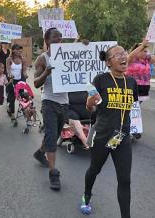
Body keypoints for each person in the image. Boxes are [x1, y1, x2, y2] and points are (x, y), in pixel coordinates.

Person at [80, 45, 138, 218]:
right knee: (94, 170)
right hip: (103, 136)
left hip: (123, 137)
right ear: (108, 61)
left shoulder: (131, 82)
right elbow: (89, 107)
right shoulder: (101, 80)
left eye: (124, 53)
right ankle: (87, 195)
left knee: (125, 180)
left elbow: (130, 107)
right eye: (117, 54)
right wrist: (91, 101)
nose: (123, 57)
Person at [32, 28, 69, 191]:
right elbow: (36, 83)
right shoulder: (42, 58)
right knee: (51, 135)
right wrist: (46, 72)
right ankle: (53, 174)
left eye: (60, 37)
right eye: (55, 37)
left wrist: (84, 47)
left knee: (52, 136)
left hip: (64, 103)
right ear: (47, 39)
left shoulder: (66, 55)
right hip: (49, 102)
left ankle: (40, 152)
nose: (59, 39)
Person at [6, 44, 28, 121]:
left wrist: (25, 74)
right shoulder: (9, 59)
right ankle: (12, 113)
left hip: (19, 81)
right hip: (11, 81)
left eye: (19, 49)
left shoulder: (23, 59)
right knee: (12, 98)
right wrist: (10, 74)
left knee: (21, 96)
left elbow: (24, 69)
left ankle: (24, 111)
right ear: (13, 50)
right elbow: (8, 70)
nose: (19, 51)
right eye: (17, 49)